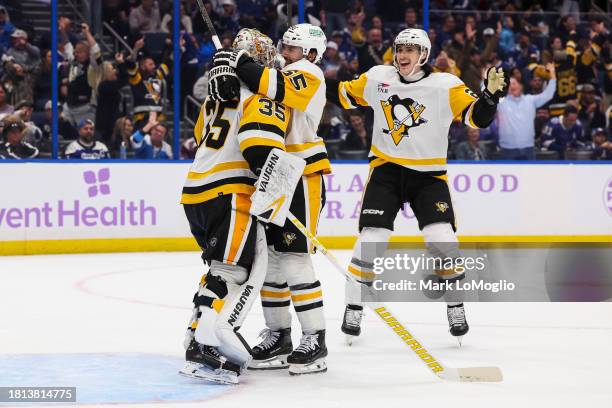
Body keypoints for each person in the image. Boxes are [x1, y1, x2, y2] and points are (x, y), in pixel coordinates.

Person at [324, 28, 506, 344]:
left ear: (424, 54)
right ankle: (354, 305)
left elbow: (477, 119)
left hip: (428, 176)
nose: (403, 54)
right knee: (372, 238)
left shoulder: (445, 84)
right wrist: (308, 77)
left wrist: (489, 97)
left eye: (411, 49)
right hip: (387, 171)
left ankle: (455, 305)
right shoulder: (377, 77)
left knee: (442, 238)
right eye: (399, 48)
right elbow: (339, 93)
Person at [210, 23, 330, 375]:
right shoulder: (279, 73)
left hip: (302, 173)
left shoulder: (308, 72)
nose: (284, 52)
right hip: (276, 174)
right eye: (284, 46)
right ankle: (279, 336)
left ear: (310, 54)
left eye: (292, 48)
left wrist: (239, 59)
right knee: (273, 262)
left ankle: (316, 338)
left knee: (294, 259)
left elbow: (274, 85)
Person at [179, 28, 292, 385]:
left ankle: (196, 333)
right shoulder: (260, 96)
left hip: (196, 190)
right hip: (231, 191)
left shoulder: (214, 98)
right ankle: (205, 343)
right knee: (231, 272)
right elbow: (260, 149)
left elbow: (201, 138)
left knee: (218, 268)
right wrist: (274, 192)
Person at [497, 65, 557, 160]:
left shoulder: (530, 100)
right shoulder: (501, 102)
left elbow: (548, 94)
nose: (512, 86)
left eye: (514, 83)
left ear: (521, 86)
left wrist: (552, 75)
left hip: (528, 148)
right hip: (507, 149)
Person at [59, 23, 102, 127]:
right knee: (59, 122)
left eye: (79, 52)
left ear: (87, 53)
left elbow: (95, 50)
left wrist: (87, 32)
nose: (75, 54)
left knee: (86, 131)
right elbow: (67, 46)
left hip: (85, 107)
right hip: (69, 105)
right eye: (75, 52)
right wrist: (63, 31)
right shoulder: (73, 61)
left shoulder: (93, 65)